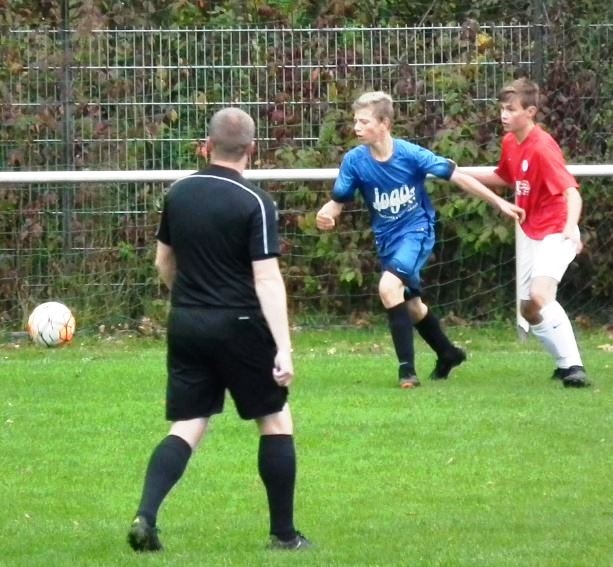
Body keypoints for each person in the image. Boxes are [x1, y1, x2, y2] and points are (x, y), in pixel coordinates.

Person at [127, 107, 311, 552]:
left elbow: (163, 262)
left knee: (188, 424)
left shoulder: (179, 192)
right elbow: (266, 279)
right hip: (241, 324)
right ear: (252, 150)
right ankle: (284, 536)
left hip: (187, 322)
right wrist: (283, 347)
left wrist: (189, 298)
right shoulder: (255, 202)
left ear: (206, 146)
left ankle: (145, 516)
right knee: (275, 420)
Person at [316, 91, 525, 389]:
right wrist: (326, 214)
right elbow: (337, 202)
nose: (356, 128)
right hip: (387, 240)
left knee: (388, 287)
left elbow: (458, 176)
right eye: (355, 121)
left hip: (417, 232)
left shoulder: (410, 154)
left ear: (384, 123)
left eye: (364, 122)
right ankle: (448, 353)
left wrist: (499, 202)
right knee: (412, 307)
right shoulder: (354, 161)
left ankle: (407, 373)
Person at [463, 78, 589, 387]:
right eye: (502, 109)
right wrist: (455, 171)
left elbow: (572, 192)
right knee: (529, 310)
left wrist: (571, 227)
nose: (503, 115)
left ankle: (575, 368)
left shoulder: (542, 147)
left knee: (540, 296)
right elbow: (503, 177)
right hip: (532, 232)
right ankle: (565, 365)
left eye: (511, 109)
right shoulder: (510, 142)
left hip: (556, 230)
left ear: (530, 112)